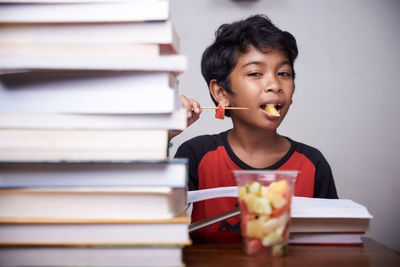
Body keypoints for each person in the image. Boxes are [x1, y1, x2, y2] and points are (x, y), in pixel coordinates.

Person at [173, 14, 338, 244]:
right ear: (221, 93)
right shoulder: (197, 154)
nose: (275, 85)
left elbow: (331, 241)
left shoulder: (313, 163)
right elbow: (151, 221)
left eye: (284, 73)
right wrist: (163, 135)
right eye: (255, 74)